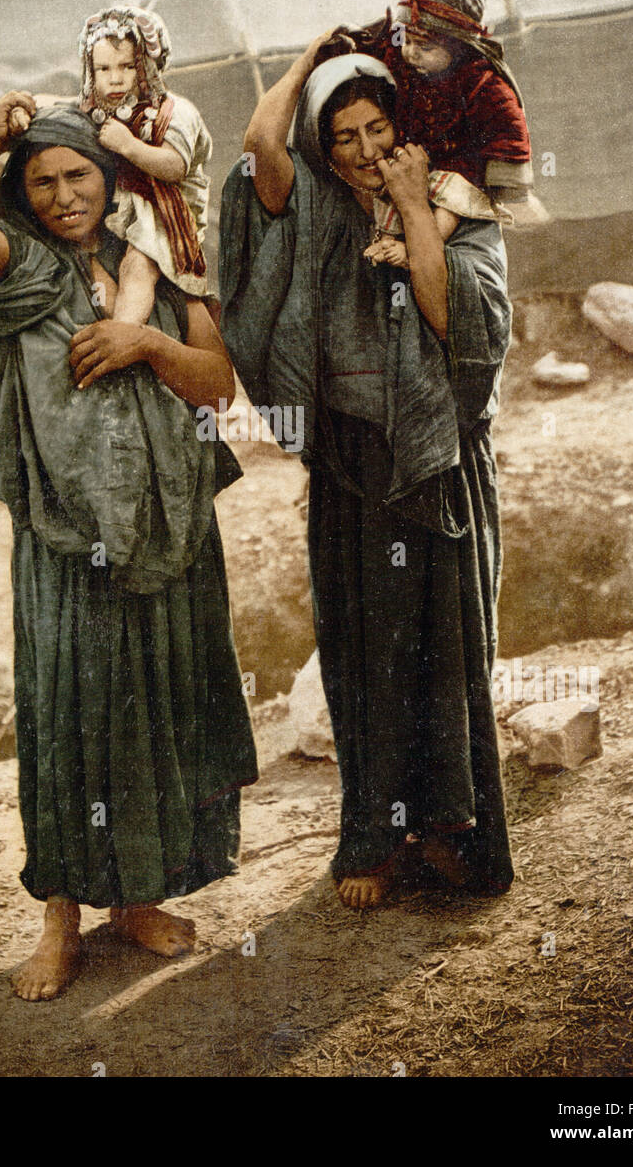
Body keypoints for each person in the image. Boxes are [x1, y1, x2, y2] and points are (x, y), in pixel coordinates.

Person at [0, 91, 257, 999]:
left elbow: (215, 388)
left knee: (157, 708)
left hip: (169, 521)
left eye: (78, 173)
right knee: (75, 718)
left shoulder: (159, 256)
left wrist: (140, 344)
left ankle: (137, 899)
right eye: (39, 181)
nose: (62, 194)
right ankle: (61, 920)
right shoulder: (15, 270)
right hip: (67, 537)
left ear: (109, 175)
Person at [219, 45, 514, 911]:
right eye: (340, 132)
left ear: (405, 126)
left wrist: (417, 207)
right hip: (352, 460)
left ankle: (454, 831)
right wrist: (319, 53)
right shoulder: (310, 206)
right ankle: (375, 840)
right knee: (363, 652)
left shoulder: (461, 204)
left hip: (437, 458)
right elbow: (257, 151)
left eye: (376, 126)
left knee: (446, 653)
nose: (359, 148)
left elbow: (455, 319)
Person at [317, 0, 533, 211]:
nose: (411, 52)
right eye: (407, 41)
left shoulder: (479, 83)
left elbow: (505, 127)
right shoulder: (400, 54)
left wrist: (503, 181)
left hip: (458, 177)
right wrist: (345, 45)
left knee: (449, 211)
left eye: (425, 47)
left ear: (458, 45)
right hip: (402, 166)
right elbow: (381, 42)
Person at [77, 5, 212, 325]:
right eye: (104, 69)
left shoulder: (175, 113)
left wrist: (129, 145)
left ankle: (123, 337)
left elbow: (174, 166)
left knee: (136, 266)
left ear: (147, 67)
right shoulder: (98, 110)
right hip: (117, 210)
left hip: (165, 211)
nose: (115, 79)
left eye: (127, 67)